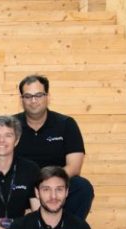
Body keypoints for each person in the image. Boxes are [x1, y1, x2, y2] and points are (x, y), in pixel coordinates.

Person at [13, 74, 94, 220]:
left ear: (48, 96)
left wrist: (47, 184)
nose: (33, 101)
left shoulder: (66, 124)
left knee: (82, 187)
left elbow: (74, 167)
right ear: (21, 99)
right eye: (28, 96)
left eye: (39, 95)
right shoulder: (11, 125)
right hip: (21, 186)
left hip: (55, 184)